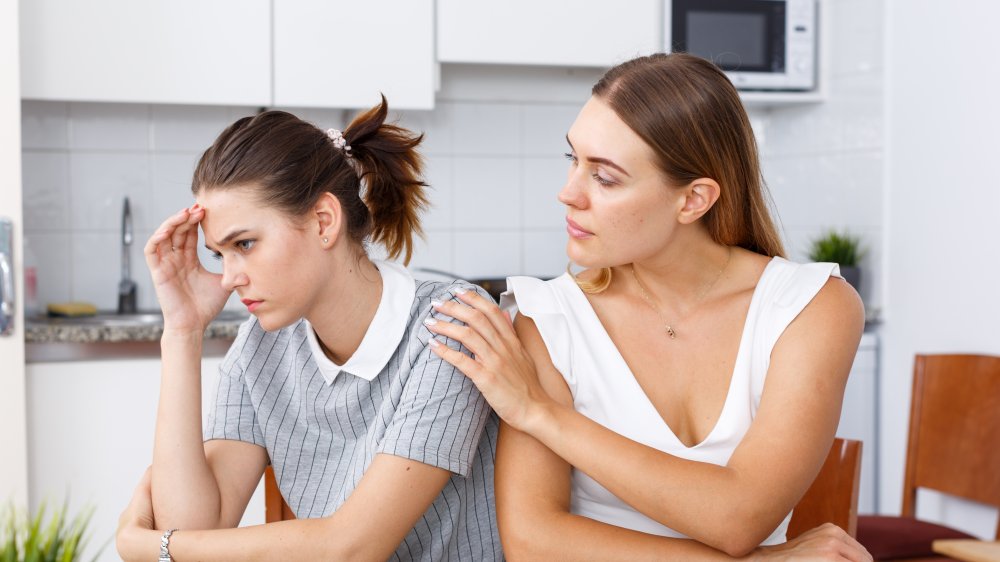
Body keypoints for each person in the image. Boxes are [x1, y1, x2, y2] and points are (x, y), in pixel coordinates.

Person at [424, 53, 871, 561]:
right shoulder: (547, 318)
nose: (568, 194)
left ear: (693, 200)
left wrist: (541, 413)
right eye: (573, 159)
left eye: (605, 177)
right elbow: (534, 541)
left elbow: (739, 517)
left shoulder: (810, 308)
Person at [115, 97, 502, 561]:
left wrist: (157, 547)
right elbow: (197, 525)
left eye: (245, 243)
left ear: (323, 221)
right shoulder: (263, 346)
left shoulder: (449, 326)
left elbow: (352, 549)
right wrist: (182, 332)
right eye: (220, 254)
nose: (230, 277)